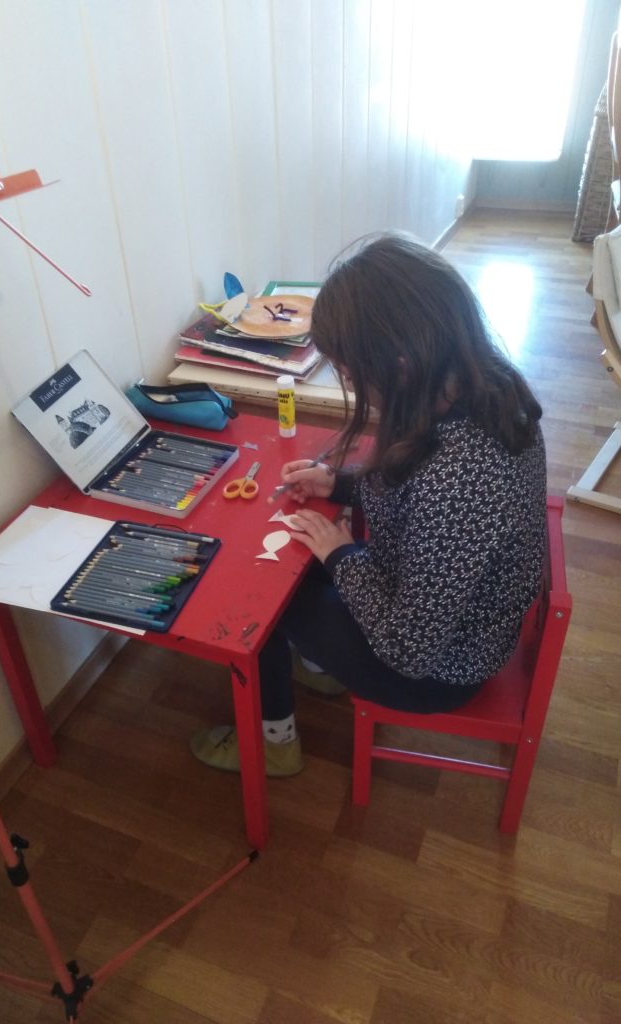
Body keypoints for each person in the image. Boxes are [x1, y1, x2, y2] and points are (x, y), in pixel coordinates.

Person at [191, 232, 547, 777]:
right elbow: (419, 501)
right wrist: (341, 486)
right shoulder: (479, 388)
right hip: (452, 617)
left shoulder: (461, 476)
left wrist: (342, 556)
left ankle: (273, 743)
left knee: (259, 603)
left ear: (398, 364)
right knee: (290, 562)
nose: (349, 383)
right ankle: (320, 666)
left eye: (349, 372)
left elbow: (410, 650)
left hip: (434, 671)